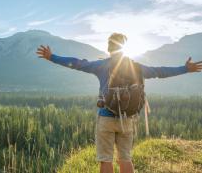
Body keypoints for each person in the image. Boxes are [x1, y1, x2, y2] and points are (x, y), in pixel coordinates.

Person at [36, 33, 202, 173]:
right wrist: (185, 68)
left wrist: (52, 57)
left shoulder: (101, 65)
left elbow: (78, 63)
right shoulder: (136, 67)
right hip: (128, 119)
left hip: (106, 118)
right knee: (125, 158)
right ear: (125, 47)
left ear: (108, 48)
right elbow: (161, 71)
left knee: (105, 160)